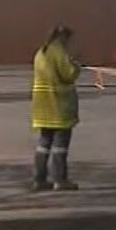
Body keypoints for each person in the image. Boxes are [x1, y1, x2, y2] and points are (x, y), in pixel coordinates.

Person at [30, 25, 81, 191]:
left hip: (42, 107)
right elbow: (68, 74)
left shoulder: (41, 52)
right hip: (59, 105)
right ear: (63, 37)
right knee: (60, 146)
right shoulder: (59, 52)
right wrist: (76, 65)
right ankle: (60, 179)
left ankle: (39, 179)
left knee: (43, 144)